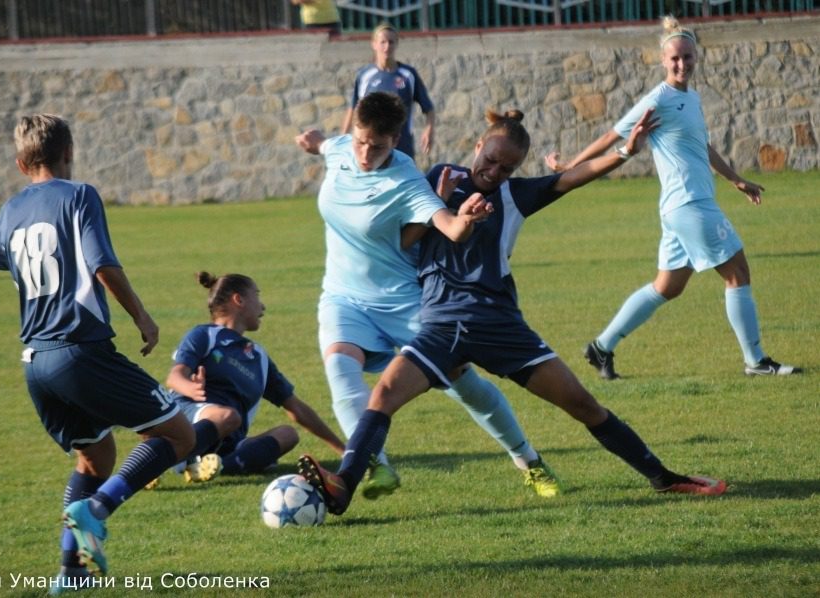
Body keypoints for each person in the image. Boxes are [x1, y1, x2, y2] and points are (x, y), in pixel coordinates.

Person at [298, 105, 730, 517]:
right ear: (477, 148)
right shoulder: (434, 178)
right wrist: (447, 206)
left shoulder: (515, 196)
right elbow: (408, 238)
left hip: (499, 325)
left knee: (582, 404)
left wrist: (623, 152)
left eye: (507, 168)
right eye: (490, 160)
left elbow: (572, 177)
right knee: (384, 396)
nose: (494, 172)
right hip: (441, 323)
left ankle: (662, 477)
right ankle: (344, 485)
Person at [0, 114, 222, 590]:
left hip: (36, 365)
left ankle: (70, 572)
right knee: (181, 437)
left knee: (96, 457)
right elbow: (102, 265)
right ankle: (96, 510)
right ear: (69, 152)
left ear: (19, 164)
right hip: (81, 354)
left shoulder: (7, 214)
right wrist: (141, 316)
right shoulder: (79, 196)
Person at [296, 90, 562, 503]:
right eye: (361, 141)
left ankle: (527, 459)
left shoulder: (406, 180)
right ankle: (374, 464)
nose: (366, 153)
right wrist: (313, 141)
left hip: (406, 300)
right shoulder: (340, 149)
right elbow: (326, 144)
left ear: (396, 139)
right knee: (340, 372)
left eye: (378, 146)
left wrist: (464, 218)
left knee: (464, 386)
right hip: (343, 296)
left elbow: (449, 226)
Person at [546, 16, 801, 380]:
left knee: (667, 287)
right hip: (689, 206)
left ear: (696, 57)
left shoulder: (691, 97)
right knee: (738, 273)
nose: (682, 64)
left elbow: (703, 146)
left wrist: (735, 180)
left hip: (682, 207)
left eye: (688, 57)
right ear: (663, 61)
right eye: (675, 59)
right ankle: (756, 361)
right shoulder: (659, 99)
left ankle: (601, 347)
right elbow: (612, 134)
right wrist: (569, 165)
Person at [154, 271, 344, 486]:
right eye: (258, 296)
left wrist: (344, 450)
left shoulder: (258, 357)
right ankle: (161, 459)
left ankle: (217, 466)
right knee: (227, 416)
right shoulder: (205, 335)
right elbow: (175, 376)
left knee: (288, 434)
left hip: (229, 442)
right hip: (190, 421)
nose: (263, 307)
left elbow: (296, 408)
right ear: (239, 300)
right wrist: (191, 388)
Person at [340, 22, 435, 159]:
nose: (387, 46)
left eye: (391, 42)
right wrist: (343, 138)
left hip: (402, 147)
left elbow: (428, 108)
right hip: (370, 150)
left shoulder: (408, 75)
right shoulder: (365, 75)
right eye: (383, 42)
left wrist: (429, 130)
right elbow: (353, 109)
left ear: (396, 44)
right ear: (374, 44)